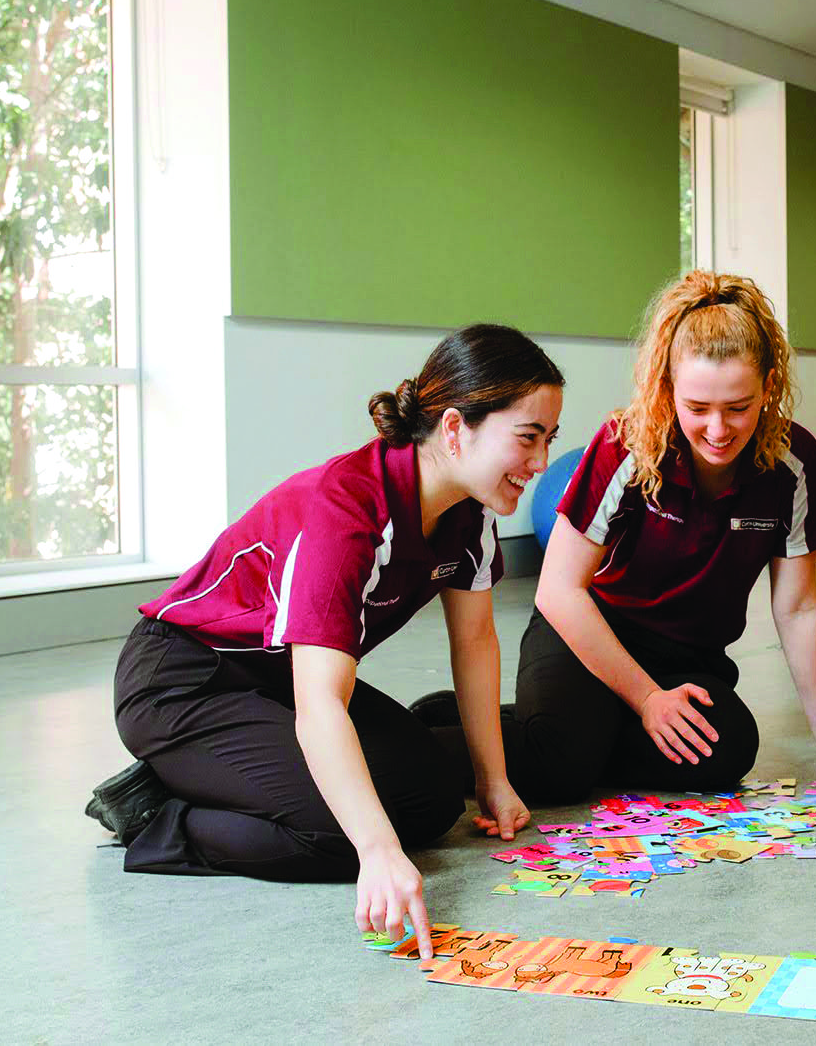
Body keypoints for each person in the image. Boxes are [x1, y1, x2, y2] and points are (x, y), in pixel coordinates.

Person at [84, 324, 563, 945]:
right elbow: (320, 706)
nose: (541, 464)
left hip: (279, 676)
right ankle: (157, 814)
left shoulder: (468, 516)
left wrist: (493, 781)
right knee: (344, 838)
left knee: (433, 801)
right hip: (185, 681)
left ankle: (242, 776)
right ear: (453, 428)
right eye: (527, 439)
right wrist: (377, 852)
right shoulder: (344, 514)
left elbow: (473, 645)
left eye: (550, 440)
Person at [419, 271, 816, 803]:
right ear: (668, 389)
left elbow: (796, 607)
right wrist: (648, 698)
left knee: (727, 752)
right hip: (587, 630)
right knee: (558, 769)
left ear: (769, 386)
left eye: (738, 407)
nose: (718, 430)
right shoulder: (626, 445)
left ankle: (562, 724)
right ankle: (435, 735)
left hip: (687, 656)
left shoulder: (795, 462)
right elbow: (558, 591)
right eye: (697, 408)